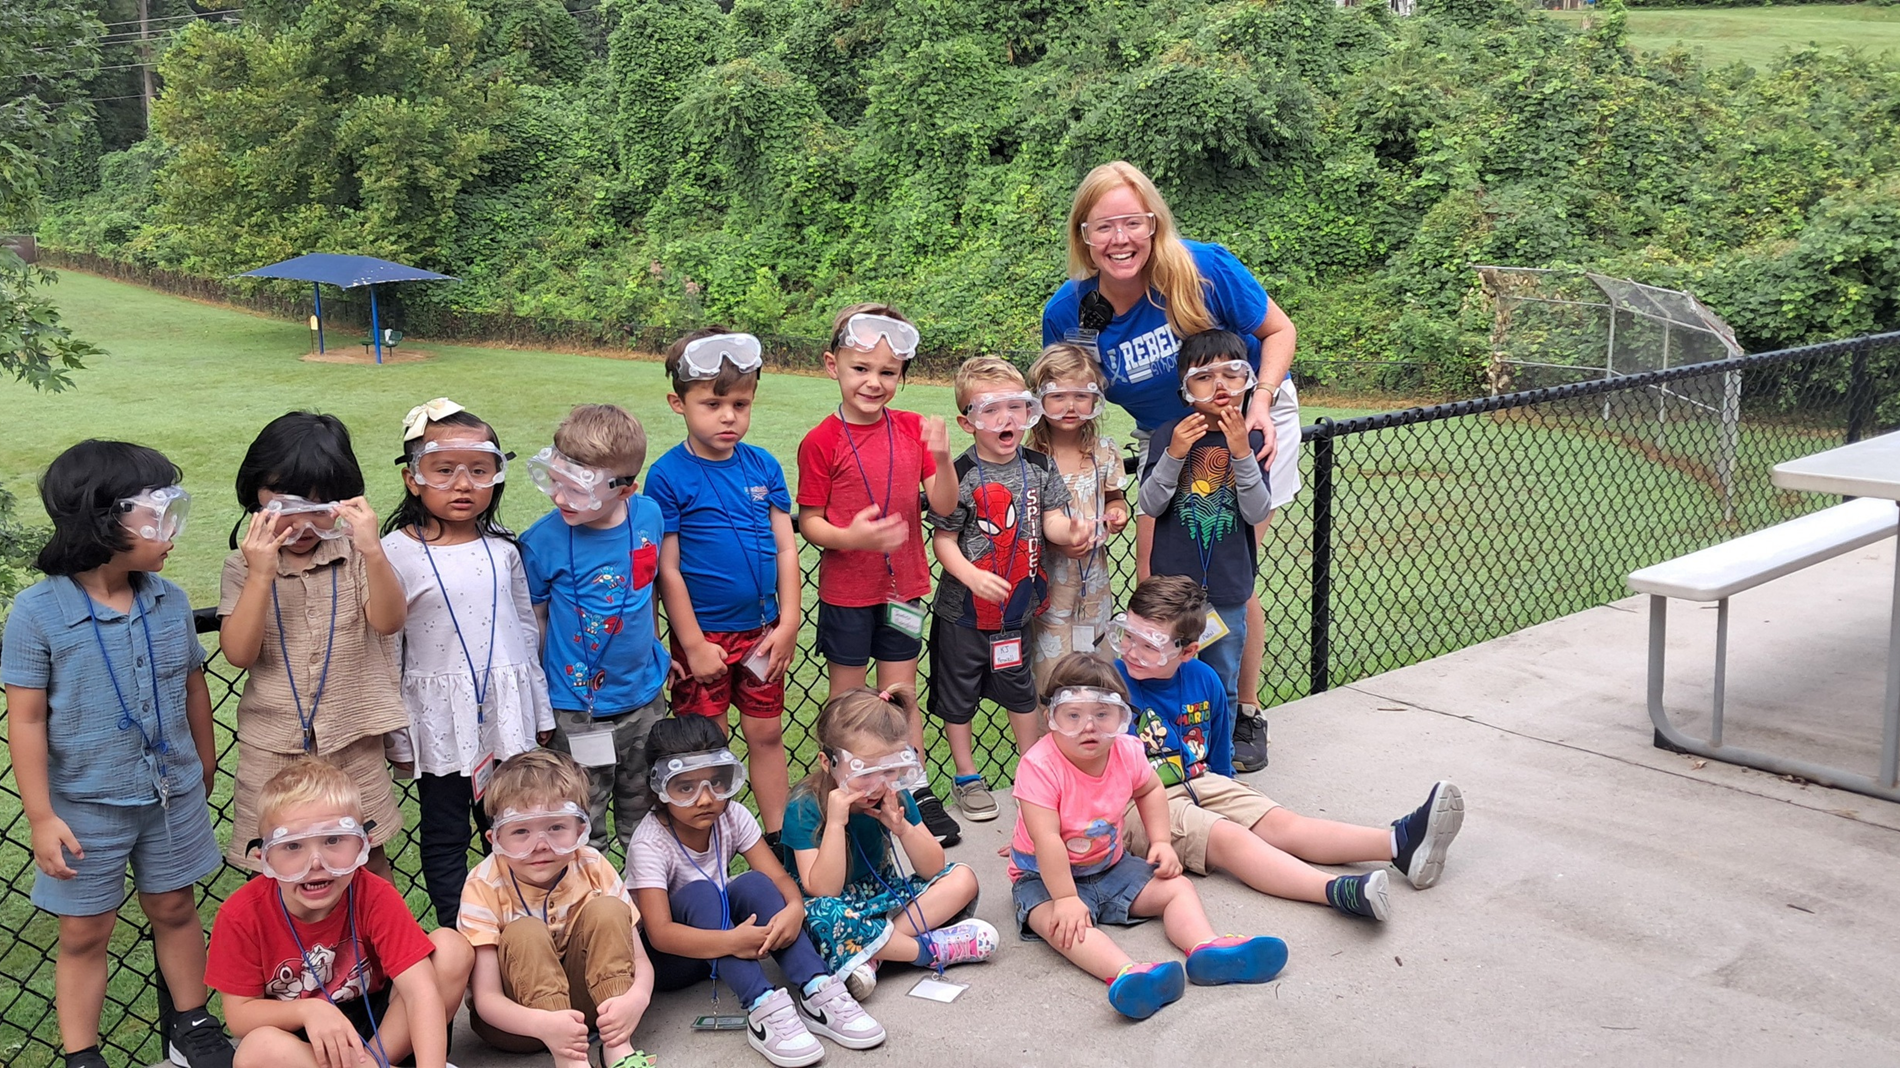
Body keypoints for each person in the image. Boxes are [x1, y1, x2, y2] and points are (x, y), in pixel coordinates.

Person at [1042, 160, 1298, 771]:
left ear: (1154, 224)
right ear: (1083, 236)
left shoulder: (1202, 268)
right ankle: (1181, 702)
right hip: (1167, 435)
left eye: (1133, 222)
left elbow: (1280, 330)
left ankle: (1242, 710)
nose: (1119, 239)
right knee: (1164, 579)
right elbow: (1074, 393)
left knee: (1230, 566)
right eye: (1103, 227)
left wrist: (1259, 402)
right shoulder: (1074, 313)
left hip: (1249, 414)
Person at [3, 440, 234, 1068]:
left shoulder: (170, 600)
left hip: (171, 795)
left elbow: (193, 686)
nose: (172, 531)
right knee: (84, 931)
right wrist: (42, 817)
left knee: (175, 905)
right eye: (158, 514)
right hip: (84, 808)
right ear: (104, 519)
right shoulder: (37, 613)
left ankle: (192, 1023)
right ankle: (83, 1054)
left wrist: (205, 764)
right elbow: (23, 718)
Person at [1113, 576, 1465, 920]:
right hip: (1141, 802)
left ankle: (1399, 844)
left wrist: (1228, 792)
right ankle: (1335, 891)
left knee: (1282, 824)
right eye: (1128, 636)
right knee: (1228, 836)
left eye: (1149, 645)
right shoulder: (1109, 687)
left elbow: (1219, 752)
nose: (1132, 651)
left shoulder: (1205, 679)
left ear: (1188, 650)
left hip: (1202, 780)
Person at [1010, 652, 1288, 1021]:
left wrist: (1159, 841)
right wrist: (1064, 898)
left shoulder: (1126, 750)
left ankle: (1206, 948)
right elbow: (1046, 839)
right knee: (1062, 926)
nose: (1088, 727)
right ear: (1051, 719)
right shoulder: (1039, 766)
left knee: (1177, 888)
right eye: (1072, 715)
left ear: (1122, 718)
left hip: (1110, 865)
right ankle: (1130, 974)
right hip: (1043, 878)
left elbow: (1150, 791)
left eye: (1103, 714)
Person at [380, 398, 553, 928]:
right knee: (446, 830)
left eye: (480, 471)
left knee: (517, 824)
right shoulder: (393, 552)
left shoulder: (504, 548)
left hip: (507, 716)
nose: (463, 484)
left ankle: (522, 924)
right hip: (440, 723)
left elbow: (526, 632)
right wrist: (397, 736)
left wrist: (540, 712)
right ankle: (463, 933)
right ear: (413, 479)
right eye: (444, 470)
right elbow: (388, 648)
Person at [627, 717, 884, 1067]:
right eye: (684, 788)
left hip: (730, 937)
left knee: (754, 883)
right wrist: (733, 941)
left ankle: (817, 989)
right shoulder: (649, 843)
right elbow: (660, 935)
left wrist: (794, 907)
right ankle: (762, 1006)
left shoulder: (732, 815)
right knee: (700, 892)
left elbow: (778, 879)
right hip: (677, 958)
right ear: (659, 788)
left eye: (717, 782)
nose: (705, 799)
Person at [796, 303, 961, 844]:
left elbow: (943, 504)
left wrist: (941, 455)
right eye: (860, 368)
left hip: (905, 589)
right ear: (832, 366)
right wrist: (852, 539)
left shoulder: (914, 430)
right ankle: (842, 797)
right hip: (848, 593)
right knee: (848, 702)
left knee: (899, 693)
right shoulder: (821, 441)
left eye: (888, 372)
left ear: (903, 377)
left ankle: (912, 791)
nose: (874, 382)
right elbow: (813, 523)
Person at [219, 412, 408, 879]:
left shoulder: (355, 556)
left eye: (321, 509)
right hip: (273, 746)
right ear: (256, 495)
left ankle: (374, 949)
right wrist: (261, 573)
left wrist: (372, 550)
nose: (302, 525)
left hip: (352, 739)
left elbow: (388, 621)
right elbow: (239, 653)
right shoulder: (243, 567)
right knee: (274, 863)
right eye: (286, 506)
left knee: (367, 857)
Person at [206, 758, 472, 1068]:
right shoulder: (241, 915)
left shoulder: (373, 894)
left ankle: (376, 1064)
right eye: (293, 847)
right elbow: (240, 1015)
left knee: (451, 949)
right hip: (307, 1039)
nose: (316, 862)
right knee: (256, 1049)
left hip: (383, 1028)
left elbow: (421, 991)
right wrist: (309, 1011)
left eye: (333, 840)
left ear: (363, 846)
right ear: (263, 858)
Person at [649, 329, 800, 845]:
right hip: (705, 638)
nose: (728, 416)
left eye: (740, 403)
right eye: (712, 404)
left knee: (766, 733)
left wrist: (789, 622)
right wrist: (692, 644)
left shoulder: (764, 466)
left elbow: (785, 547)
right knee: (705, 747)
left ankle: (777, 841)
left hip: (763, 634)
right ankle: (707, 845)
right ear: (678, 403)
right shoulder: (668, 475)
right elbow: (667, 568)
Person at [927, 356, 1080, 821]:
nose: (1006, 419)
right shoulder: (960, 474)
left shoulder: (1039, 466)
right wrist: (970, 575)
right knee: (959, 696)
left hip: (1016, 612)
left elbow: (1051, 518)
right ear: (967, 422)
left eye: (1016, 406)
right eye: (991, 410)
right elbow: (944, 538)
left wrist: (1070, 531)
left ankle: (1035, 767)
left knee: (1020, 689)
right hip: (964, 616)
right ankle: (966, 775)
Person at [519, 404, 670, 853]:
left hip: (644, 700)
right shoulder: (540, 542)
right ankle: (591, 913)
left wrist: (657, 650)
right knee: (583, 821)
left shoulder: (649, 517)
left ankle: (647, 916)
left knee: (645, 819)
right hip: (576, 710)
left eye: (578, 489)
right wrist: (541, 704)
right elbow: (537, 625)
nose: (561, 498)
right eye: (555, 480)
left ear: (626, 488)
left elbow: (648, 592)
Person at [781, 686, 995, 1001]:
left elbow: (934, 866)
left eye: (891, 770)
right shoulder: (805, 805)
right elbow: (823, 890)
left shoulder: (891, 792)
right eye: (865, 773)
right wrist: (837, 824)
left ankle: (870, 955)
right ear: (828, 763)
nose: (878, 784)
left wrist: (903, 828)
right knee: (819, 917)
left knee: (962, 878)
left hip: (885, 897)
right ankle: (928, 949)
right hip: (836, 906)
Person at [458, 750, 656, 1068]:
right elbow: (486, 1000)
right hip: (520, 1026)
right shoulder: (483, 884)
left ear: (580, 830)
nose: (540, 845)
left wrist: (636, 998)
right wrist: (544, 1026)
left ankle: (618, 1047)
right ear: (495, 839)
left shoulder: (592, 865)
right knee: (524, 930)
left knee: (607, 909)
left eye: (555, 828)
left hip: (598, 1011)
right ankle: (570, 1060)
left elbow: (639, 960)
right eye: (521, 831)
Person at [1138, 330, 1271, 727]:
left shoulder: (1255, 438)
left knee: (1221, 679)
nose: (1220, 386)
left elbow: (1256, 509)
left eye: (1232, 374)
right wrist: (1175, 453)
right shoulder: (1168, 434)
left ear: (1247, 380)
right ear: (1185, 389)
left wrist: (1243, 453)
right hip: (1172, 590)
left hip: (1227, 587)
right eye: (1204, 376)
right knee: (1166, 673)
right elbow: (1150, 502)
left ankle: (1219, 758)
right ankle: (1170, 752)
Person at [1025, 343, 1130, 694]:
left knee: (1097, 666)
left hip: (1095, 584)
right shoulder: (1029, 458)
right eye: (1058, 396)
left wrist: (1118, 513)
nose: (1070, 407)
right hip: (1047, 584)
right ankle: (1048, 742)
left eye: (1081, 396)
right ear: (1038, 399)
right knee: (1049, 670)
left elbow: (1115, 497)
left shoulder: (1104, 451)